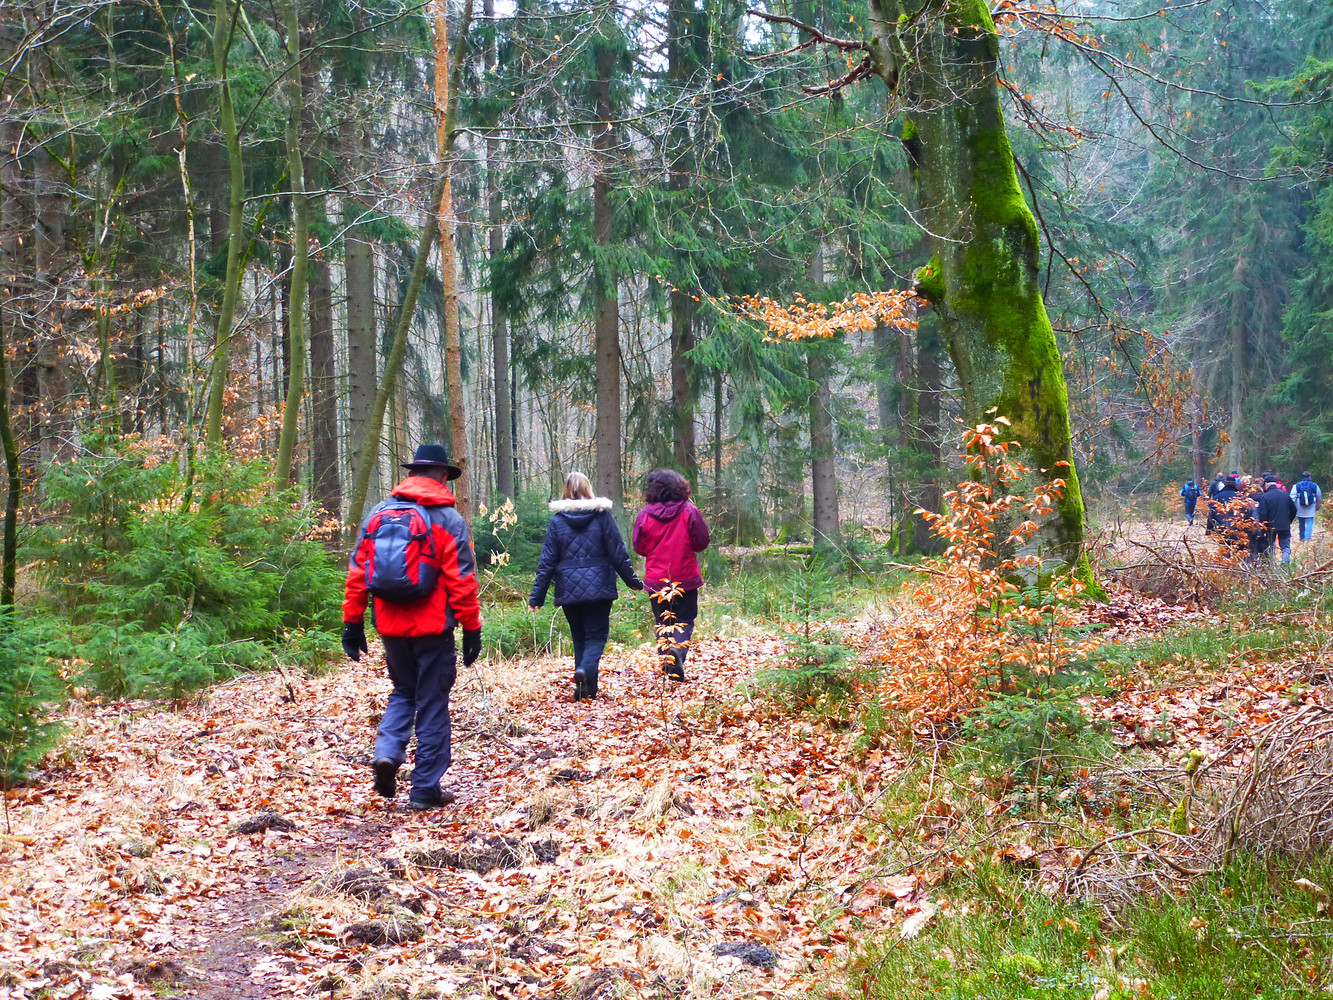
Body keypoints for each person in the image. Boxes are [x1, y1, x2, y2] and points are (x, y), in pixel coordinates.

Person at [342, 444, 482, 810]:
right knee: (432, 702)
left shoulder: (378, 513)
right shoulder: (447, 520)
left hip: (390, 626)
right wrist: (472, 628)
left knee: (403, 692)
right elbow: (461, 580)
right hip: (434, 628)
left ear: (413, 473)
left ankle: (387, 753)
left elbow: (358, 573)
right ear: (441, 476)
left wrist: (352, 623)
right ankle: (424, 790)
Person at [528, 472, 644, 701]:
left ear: (566, 490)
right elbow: (618, 552)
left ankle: (585, 689)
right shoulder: (602, 517)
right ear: (588, 489)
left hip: (569, 589)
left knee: (579, 636)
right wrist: (632, 581)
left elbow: (547, 562)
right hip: (599, 587)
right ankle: (584, 673)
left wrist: (536, 597)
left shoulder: (557, 521)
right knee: (596, 636)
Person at [632, 469, 711, 682]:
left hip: (657, 580)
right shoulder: (689, 510)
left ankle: (668, 663)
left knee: (662, 622)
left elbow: (639, 546)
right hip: (685, 577)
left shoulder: (645, 514)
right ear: (680, 487)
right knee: (684, 619)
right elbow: (702, 541)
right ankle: (678, 653)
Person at [1253, 473, 1298, 566]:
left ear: (1267, 484)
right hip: (1284, 525)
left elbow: (1263, 514)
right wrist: (1289, 520)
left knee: (1269, 546)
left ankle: (1270, 565)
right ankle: (1285, 565)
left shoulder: (1265, 497)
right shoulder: (1285, 495)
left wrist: (1264, 527)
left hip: (1270, 527)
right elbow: (1294, 509)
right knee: (1285, 547)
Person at [1292, 472, 1322, 542]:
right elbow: (1319, 496)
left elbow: (1292, 497)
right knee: (1309, 523)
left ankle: (1301, 538)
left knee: (1301, 523)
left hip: (1300, 507)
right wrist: (1317, 506)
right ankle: (1307, 539)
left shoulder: (1296, 486)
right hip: (1311, 507)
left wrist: (1293, 508)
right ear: (1309, 477)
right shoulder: (1314, 486)